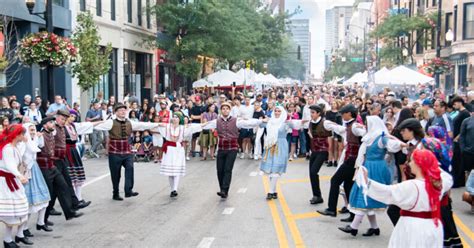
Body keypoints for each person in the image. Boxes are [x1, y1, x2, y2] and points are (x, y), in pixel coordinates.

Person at [357, 149, 452, 248]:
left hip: (413, 228)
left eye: (412, 161)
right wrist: (431, 163)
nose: (410, 164)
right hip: (433, 227)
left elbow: (388, 193)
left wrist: (366, 182)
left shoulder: (412, 186)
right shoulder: (438, 184)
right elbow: (448, 178)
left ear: (418, 164)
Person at [339, 116, 403, 237]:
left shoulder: (382, 137)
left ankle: (353, 227)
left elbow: (394, 145)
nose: (367, 126)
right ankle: (374, 228)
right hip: (367, 166)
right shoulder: (370, 137)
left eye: (368, 124)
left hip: (376, 168)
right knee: (368, 195)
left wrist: (400, 142)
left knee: (365, 195)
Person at [93, 103, 160, 201]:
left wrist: (158, 124)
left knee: (130, 168)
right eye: (120, 110)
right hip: (114, 152)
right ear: (116, 112)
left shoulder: (130, 122)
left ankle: (128, 191)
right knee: (116, 174)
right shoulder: (110, 122)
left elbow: (143, 125)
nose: (123, 112)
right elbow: (97, 126)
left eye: (124, 110)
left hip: (127, 151)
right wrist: (90, 124)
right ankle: (115, 193)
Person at [317, 104, 365, 222]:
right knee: (348, 186)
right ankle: (352, 214)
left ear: (350, 114)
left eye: (344, 113)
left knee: (335, 180)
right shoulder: (350, 125)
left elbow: (364, 134)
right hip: (351, 159)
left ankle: (332, 208)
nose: (342, 115)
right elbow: (340, 129)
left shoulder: (355, 126)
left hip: (352, 160)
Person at [212, 102, 263, 199]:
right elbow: (205, 125)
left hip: (232, 148)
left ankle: (224, 190)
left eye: (227, 108)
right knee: (219, 170)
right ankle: (222, 188)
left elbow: (249, 123)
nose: (225, 110)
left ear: (229, 110)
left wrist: (261, 121)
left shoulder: (236, 121)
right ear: (221, 110)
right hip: (222, 148)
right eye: (223, 109)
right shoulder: (217, 121)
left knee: (227, 169)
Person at [37, 117, 83, 223]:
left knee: (64, 186)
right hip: (44, 168)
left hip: (52, 166)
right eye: (50, 122)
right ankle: (42, 220)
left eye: (53, 122)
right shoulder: (41, 136)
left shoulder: (51, 133)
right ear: (44, 126)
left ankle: (69, 212)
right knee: (50, 193)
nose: (53, 124)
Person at [260, 106, 302, 200]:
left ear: (282, 113)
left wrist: (296, 120)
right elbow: (260, 124)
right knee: (271, 169)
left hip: (281, 146)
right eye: (276, 111)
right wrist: (263, 120)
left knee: (276, 168)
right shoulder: (270, 121)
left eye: (279, 111)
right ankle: (274, 191)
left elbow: (296, 124)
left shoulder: (285, 122)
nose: (277, 113)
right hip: (270, 145)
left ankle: (270, 191)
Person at [0, 124, 30, 247]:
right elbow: (10, 165)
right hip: (6, 182)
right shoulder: (8, 148)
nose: (24, 136)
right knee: (11, 212)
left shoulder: (15, 146)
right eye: (22, 134)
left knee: (18, 210)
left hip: (12, 180)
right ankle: (7, 240)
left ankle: (12, 238)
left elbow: (24, 154)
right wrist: (19, 175)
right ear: (16, 135)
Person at [20, 123, 52, 238]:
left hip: (34, 169)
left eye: (34, 130)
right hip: (27, 171)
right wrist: (36, 137)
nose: (33, 132)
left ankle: (40, 222)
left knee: (44, 196)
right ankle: (24, 228)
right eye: (31, 130)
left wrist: (38, 136)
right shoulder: (24, 142)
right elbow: (33, 149)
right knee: (28, 202)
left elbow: (41, 145)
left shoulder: (32, 139)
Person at [307, 105, 332, 204]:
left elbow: (336, 127)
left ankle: (317, 195)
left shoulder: (325, 122)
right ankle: (317, 196)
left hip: (323, 150)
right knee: (311, 174)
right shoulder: (310, 123)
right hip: (314, 151)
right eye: (311, 112)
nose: (311, 114)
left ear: (318, 113)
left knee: (313, 171)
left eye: (313, 112)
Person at [452, 96, 471, 188]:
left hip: (459, 140)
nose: (454, 105)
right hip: (457, 140)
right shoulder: (459, 113)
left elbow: (464, 129)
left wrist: (457, 137)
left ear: (460, 102)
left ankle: (459, 181)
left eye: (455, 103)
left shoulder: (465, 113)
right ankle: (459, 180)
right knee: (457, 161)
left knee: (459, 161)